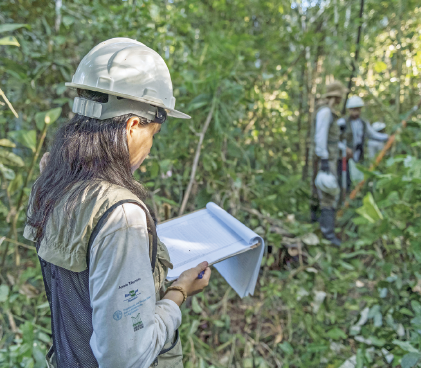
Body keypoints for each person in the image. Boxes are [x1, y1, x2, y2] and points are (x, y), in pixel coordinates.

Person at [24, 38, 211, 368]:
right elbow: (126, 355)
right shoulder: (121, 216)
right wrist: (177, 293)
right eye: (152, 134)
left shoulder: (52, 181)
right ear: (132, 125)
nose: (150, 147)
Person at [311, 81, 347, 246]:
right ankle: (327, 234)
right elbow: (320, 137)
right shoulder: (325, 112)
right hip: (327, 159)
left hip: (330, 157)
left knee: (326, 192)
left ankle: (321, 228)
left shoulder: (329, 112)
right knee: (328, 194)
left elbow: (331, 140)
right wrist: (324, 159)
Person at [337, 96, 388, 190]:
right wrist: (344, 148)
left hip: (358, 156)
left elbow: (373, 135)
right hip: (345, 157)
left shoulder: (363, 123)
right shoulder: (342, 122)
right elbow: (335, 139)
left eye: (358, 109)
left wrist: (388, 137)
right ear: (349, 110)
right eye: (353, 109)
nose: (356, 112)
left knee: (359, 181)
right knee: (345, 181)